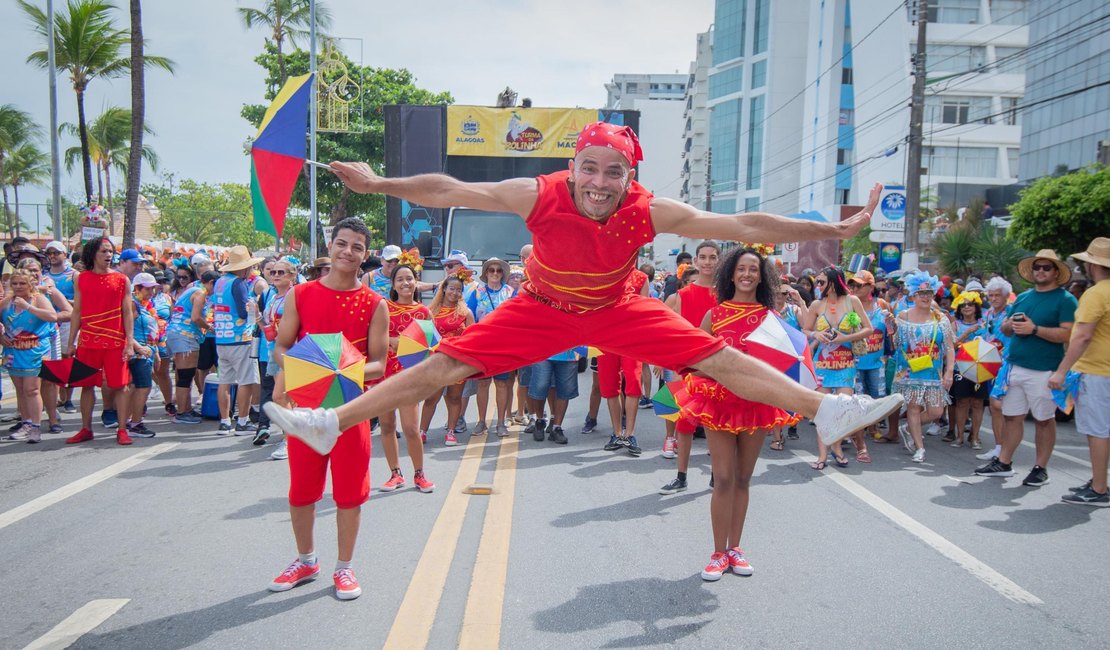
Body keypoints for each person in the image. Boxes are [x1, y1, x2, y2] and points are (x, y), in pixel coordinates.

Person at [265, 122, 903, 462]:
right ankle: (331, 422)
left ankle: (827, 409)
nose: (600, 183)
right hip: (541, 307)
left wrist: (833, 228)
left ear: (630, 175)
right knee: (442, 365)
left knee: (719, 358)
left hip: (618, 307)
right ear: (572, 168)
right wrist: (377, 185)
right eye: (590, 169)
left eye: (614, 172)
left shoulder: (647, 210)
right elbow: (447, 188)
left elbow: (744, 226)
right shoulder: (537, 193)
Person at [267, 217, 388, 601]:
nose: (347, 251)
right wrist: (298, 376)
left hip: (350, 410)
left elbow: (379, 365)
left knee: (350, 493)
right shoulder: (300, 295)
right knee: (302, 491)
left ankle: (344, 568)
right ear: (330, 247)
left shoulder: (375, 303)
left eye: (356, 246)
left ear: (365, 256)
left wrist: (339, 369)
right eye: (341, 243)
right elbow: (282, 347)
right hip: (305, 409)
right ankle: (306, 560)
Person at [674, 246, 800, 580]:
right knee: (724, 477)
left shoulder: (771, 319)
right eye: (741, 269)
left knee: (743, 478)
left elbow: (783, 363)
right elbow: (696, 360)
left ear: (762, 277)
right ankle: (717, 553)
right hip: (719, 402)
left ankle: (735, 549)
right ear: (731, 274)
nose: (747, 275)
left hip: (756, 403)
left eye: (754, 270)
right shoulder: (714, 315)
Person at [975, 250, 1077, 486]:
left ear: (1056, 272)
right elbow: (1008, 328)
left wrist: (1035, 329)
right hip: (1015, 366)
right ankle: (1004, 462)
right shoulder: (1023, 297)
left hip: (1044, 369)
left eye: (1046, 267)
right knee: (1012, 416)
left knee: (1043, 419)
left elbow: (1069, 334)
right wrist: (1010, 325)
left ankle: (1040, 468)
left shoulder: (1065, 300)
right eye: (1037, 267)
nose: (1040, 271)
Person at [1049, 238, 1110, 505]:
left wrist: (1061, 372)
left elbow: (1082, 337)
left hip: (1097, 372)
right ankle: (1098, 480)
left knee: (1097, 430)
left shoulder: (1096, 294)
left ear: (1092, 265)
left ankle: (1098, 489)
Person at [659, 242, 720, 494]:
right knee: (684, 422)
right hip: (689, 367)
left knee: (717, 424)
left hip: (719, 365)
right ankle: (681, 476)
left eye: (712, 257)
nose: (707, 262)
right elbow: (673, 334)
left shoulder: (726, 294)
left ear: (719, 260)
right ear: (695, 261)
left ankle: (718, 475)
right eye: (703, 257)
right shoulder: (681, 296)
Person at [65, 238, 135, 446]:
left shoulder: (122, 279)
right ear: (93, 253)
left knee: (120, 386)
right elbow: (77, 311)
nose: (108, 255)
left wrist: (129, 341)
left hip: (115, 341)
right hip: (88, 342)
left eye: (111, 251)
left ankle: (122, 430)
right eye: (104, 251)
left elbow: (127, 313)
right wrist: (71, 342)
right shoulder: (81, 279)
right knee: (86, 386)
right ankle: (86, 428)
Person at [803, 266, 873, 468]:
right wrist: (815, 334)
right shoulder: (817, 304)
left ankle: (837, 446)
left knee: (844, 407)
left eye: (822, 282)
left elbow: (869, 329)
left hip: (845, 362)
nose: (818, 286)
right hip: (822, 363)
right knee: (822, 410)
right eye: (817, 282)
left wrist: (847, 337)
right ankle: (823, 455)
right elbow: (806, 329)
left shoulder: (852, 301)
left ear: (834, 281)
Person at [378, 263, 435, 493]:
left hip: (410, 377)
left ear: (416, 281)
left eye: (409, 278)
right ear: (393, 284)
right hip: (385, 375)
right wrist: (390, 341)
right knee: (387, 425)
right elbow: (374, 338)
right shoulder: (383, 308)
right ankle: (395, 474)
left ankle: (419, 474)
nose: (405, 283)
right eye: (400, 279)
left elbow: (431, 345)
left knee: (411, 428)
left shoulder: (423, 312)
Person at [890, 271, 955, 463]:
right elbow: (895, 344)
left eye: (929, 293)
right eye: (921, 293)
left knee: (936, 411)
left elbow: (949, 347)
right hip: (909, 371)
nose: (925, 297)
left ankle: (909, 427)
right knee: (913, 408)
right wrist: (890, 329)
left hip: (933, 372)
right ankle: (919, 448)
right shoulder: (903, 316)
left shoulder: (941, 318)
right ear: (913, 296)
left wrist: (949, 371)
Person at [1, 268, 59, 443]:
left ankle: (35, 427)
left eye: (22, 283)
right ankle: (26, 423)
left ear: (30, 284)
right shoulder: (7, 302)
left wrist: (28, 307)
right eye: (15, 283)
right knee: (20, 390)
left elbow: (52, 316)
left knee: (32, 390)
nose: (18, 287)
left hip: (35, 351)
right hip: (13, 351)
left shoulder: (38, 299)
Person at [598, 264, 650, 456]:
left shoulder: (640, 278)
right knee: (610, 386)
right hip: (605, 338)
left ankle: (630, 433)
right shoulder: (602, 274)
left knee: (633, 384)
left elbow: (644, 309)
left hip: (631, 337)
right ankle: (617, 433)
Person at [212, 246, 263, 434]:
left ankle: (224, 422)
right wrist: (253, 307)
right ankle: (242, 421)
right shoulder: (239, 283)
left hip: (222, 339)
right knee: (246, 381)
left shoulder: (220, 282)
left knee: (224, 381)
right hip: (240, 338)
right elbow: (243, 311)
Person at [463, 257, 516, 436]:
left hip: (503, 345)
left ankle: (501, 423)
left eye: (498, 270)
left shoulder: (510, 292)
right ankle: (481, 422)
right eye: (491, 270)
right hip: (482, 345)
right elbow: (468, 315)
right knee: (483, 384)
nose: (494, 273)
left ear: (503, 274)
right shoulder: (477, 292)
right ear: (486, 273)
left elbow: (517, 316)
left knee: (502, 384)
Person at [419, 272, 474, 447]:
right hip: (437, 360)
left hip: (458, 362)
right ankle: (422, 431)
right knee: (431, 398)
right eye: (452, 289)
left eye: (459, 290)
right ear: (444, 289)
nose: (455, 293)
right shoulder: (431, 311)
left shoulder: (466, 313)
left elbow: (472, 337)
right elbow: (424, 336)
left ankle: (451, 432)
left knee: (454, 398)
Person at [19, 256, 72, 434]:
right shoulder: (15, 293)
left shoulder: (50, 291)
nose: (34, 274)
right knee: (25, 384)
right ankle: (27, 421)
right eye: (29, 271)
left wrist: (51, 318)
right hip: (21, 344)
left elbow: (69, 312)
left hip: (48, 340)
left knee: (49, 380)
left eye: (36, 270)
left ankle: (52, 418)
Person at [259, 257, 297, 453]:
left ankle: (290, 441)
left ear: (292, 276)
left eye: (280, 272)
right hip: (274, 349)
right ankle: (292, 438)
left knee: (279, 397)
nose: (275, 275)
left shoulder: (295, 295)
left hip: (291, 350)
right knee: (287, 398)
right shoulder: (273, 297)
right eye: (273, 272)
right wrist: (258, 318)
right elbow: (268, 324)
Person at [849, 269, 887, 449]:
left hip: (876, 361)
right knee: (857, 397)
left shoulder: (882, 305)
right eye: (852, 284)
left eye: (859, 285)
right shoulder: (849, 305)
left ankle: (874, 427)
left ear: (871, 286)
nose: (854, 288)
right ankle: (858, 431)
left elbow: (890, 333)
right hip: (855, 360)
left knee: (876, 396)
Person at [976, 276, 1014, 461]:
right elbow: (986, 334)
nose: (993, 298)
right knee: (994, 408)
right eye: (990, 295)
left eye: (997, 295)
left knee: (1001, 406)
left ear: (1006, 296)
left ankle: (1006, 450)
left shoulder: (1012, 312)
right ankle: (999, 447)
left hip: (1007, 364)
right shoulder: (988, 314)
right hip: (990, 364)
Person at [165, 266, 209, 424]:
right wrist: (210, 328)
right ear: (210, 283)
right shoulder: (200, 292)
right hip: (185, 336)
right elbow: (196, 317)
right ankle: (182, 412)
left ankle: (186, 408)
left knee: (182, 374)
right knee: (185, 375)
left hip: (175, 333)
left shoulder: (188, 291)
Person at [946, 291, 988, 448]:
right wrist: (968, 332)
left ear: (976, 306)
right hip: (960, 368)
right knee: (962, 402)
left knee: (977, 403)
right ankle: (959, 437)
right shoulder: (955, 324)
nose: (967, 307)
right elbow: (951, 345)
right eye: (963, 305)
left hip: (981, 367)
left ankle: (975, 437)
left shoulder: (985, 323)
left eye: (970, 304)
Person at [125, 273, 163, 438]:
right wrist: (139, 347)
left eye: (153, 288)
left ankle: (130, 421)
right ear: (137, 288)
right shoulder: (133, 305)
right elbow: (125, 330)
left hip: (147, 351)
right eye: (147, 288)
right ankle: (135, 423)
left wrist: (156, 353)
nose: (151, 292)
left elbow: (152, 331)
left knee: (138, 387)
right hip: (138, 353)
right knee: (142, 387)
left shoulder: (146, 305)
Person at [44, 240, 77, 413]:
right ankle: (55, 397)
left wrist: (62, 300)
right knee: (51, 363)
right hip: (47, 322)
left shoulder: (73, 275)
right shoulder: (43, 276)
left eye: (56, 252)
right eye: (49, 253)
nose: (52, 256)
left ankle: (68, 398)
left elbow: (81, 301)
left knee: (67, 360)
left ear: (64, 254)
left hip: (68, 322)